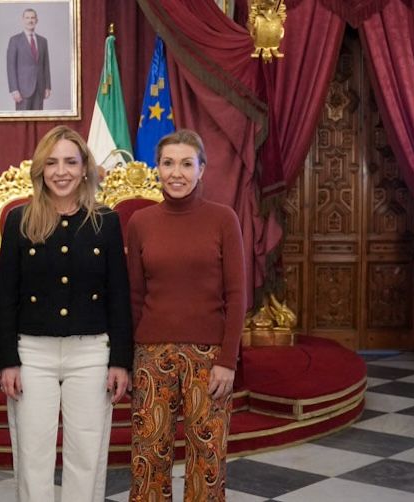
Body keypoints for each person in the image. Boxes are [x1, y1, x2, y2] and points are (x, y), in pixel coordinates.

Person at [0, 125, 132, 502]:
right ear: (40, 169)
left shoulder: (105, 222)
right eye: (52, 163)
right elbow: (6, 296)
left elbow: (119, 297)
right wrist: (7, 361)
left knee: (86, 453)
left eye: (70, 162)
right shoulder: (20, 220)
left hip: (91, 352)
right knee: (32, 453)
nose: (61, 171)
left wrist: (120, 361)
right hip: (32, 353)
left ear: (85, 167)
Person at [125, 129, 245, 501]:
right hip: (151, 355)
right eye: (168, 163)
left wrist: (228, 360)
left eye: (186, 164)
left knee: (207, 458)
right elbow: (134, 296)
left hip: (209, 358)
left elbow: (237, 295)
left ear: (201, 169)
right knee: (148, 455)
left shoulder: (223, 219)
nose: (176, 173)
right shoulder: (140, 222)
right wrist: (129, 359)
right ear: (157, 168)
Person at [6, 8, 51, 111]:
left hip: (40, 88)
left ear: (36, 20)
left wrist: (47, 86)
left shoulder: (43, 41)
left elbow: (46, 65)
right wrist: (14, 89)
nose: (30, 20)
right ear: (23, 20)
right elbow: (10, 66)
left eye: (32, 18)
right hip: (22, 91)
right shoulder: (15, 40)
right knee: (23, 119)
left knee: (38, 119)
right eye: (27, 18)